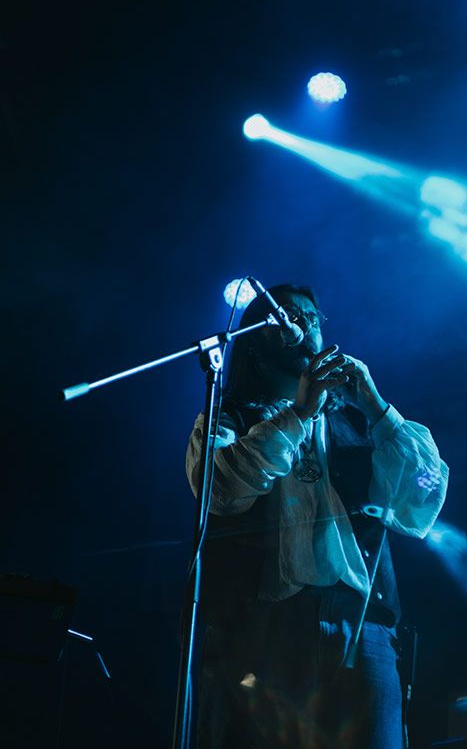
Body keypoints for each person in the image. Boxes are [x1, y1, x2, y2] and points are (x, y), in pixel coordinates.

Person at [186, 284, 449, 749]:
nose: (303, 321)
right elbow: (220, 490)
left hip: (361, 626)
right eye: (287, 314)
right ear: (255, 338)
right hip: (267, 625)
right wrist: (300, 412)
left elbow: (423, 494)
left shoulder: (356, 421)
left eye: (311, 315)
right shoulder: (229, 417)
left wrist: (378, 408)